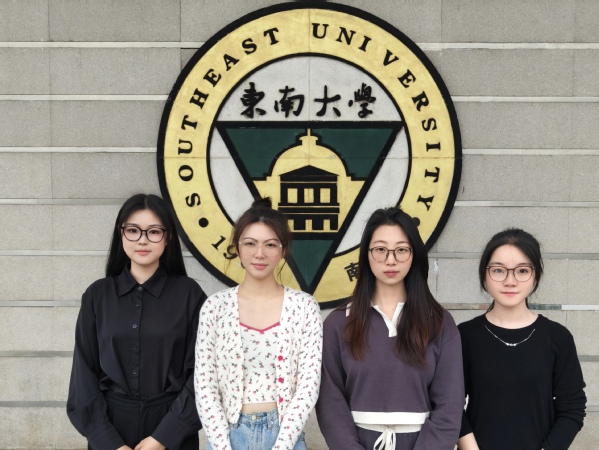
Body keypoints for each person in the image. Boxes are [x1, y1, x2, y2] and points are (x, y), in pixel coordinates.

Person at [316, 207, 464, 450]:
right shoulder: (338, 323)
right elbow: (330, 402)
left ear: (414, 254)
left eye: (401, 250)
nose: (390, 260)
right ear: (366, 254)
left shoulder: (439, 322)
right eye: (380, 249)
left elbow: (450, 405)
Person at [67, 194, 207, 450]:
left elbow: (203, 375)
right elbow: (83, 376)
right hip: (112, 430)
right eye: (133, 230)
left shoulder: (190, 295)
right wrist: (109, 443)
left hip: (172, 430)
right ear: (120, 235)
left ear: (168, 237)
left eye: (153, 231)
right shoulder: (97, 296)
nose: (142, 239)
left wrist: (163, 438)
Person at [194, 198, 323, 450]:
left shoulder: (304, 307)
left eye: (270, 244)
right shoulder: (215, 307)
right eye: (250, 243)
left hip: (285, 436)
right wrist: (222, 445)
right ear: (237, 248)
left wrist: (282, 445)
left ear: (283, 250)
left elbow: (308, 386)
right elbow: (204, 385)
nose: (259, 253)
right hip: (228, 436)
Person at [457, 228, 586, 450]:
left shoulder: (557, 337)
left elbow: (572, 407)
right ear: (485, 274)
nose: (510, 281)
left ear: (536, 275)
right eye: (499, 270)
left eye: (522, 271)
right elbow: (449, 402)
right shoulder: (463, 336)